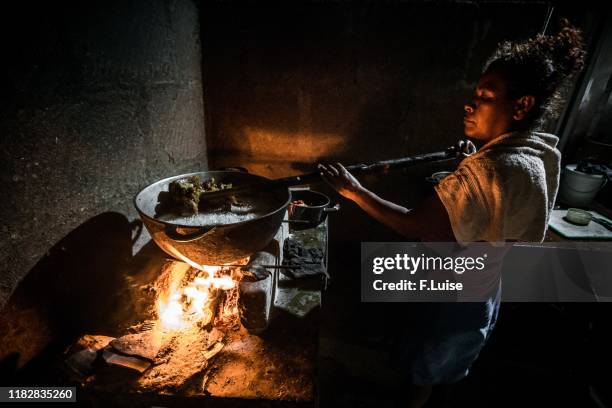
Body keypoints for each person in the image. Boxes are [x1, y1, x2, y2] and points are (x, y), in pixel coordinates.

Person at [319, 20, 585, 407]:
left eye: (485, 96)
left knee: (423, 367)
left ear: (522, 105)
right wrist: (472, 160)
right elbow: (496, 198)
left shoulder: (490, 168)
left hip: (450, 296)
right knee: (448, 362)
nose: (470, 104)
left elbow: (414, 225)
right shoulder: (534, 155)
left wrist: (355, 191)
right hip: (483, 289)